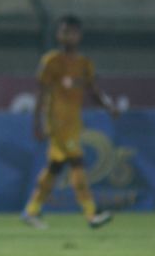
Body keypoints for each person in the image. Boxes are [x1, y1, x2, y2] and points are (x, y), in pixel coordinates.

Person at [21, 14, 120, 229]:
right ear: (58, 34)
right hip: (56, 122)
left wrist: (108, 106)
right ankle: (91, 213)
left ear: (79, 35)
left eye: (72, 32)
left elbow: (94, 91)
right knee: (77, 162)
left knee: (55, 167)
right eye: (65, 31)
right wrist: (37, 123)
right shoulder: (51, 62)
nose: (68, 36)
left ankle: (31, 210)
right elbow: (40, 94)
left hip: (74, 123)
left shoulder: (84, 64)